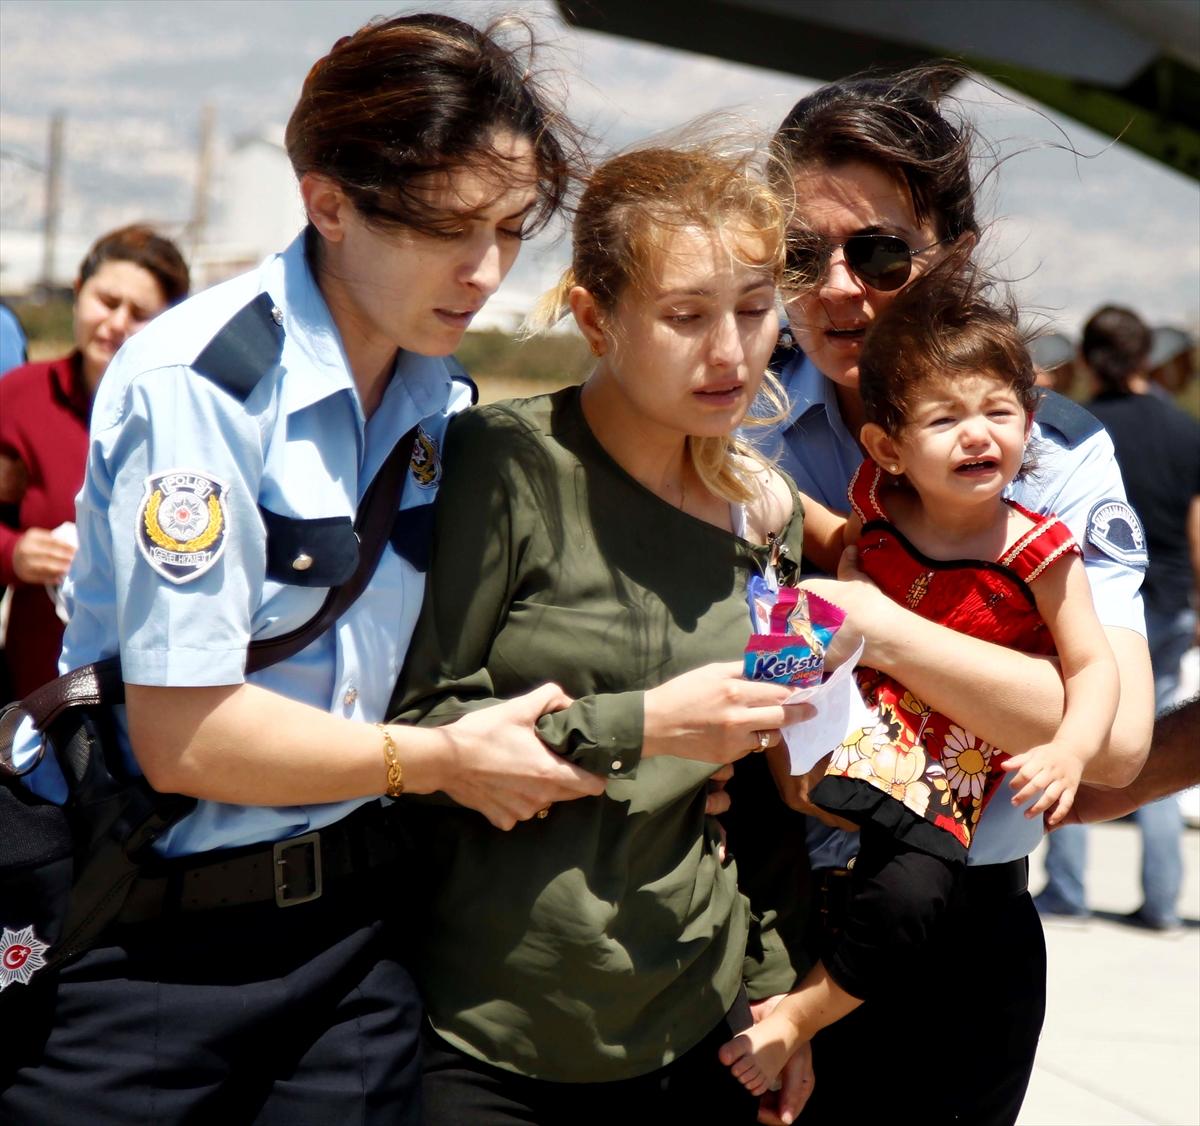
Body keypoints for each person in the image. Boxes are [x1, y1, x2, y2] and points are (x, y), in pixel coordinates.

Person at [1, 15, 610, 1124]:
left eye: (513, 229)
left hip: (347, 947)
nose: (485, 272)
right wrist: (441, 760)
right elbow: (187, 737)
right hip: (147, 944)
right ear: (328, 202)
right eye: (447, 228)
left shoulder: (443, 396)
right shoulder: (204, 386)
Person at [722, 66, 1154, 1126]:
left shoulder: (1050, 459)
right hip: (752, 917)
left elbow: (1114, 739)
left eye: (876, 252)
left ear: (949, 253)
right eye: (798, 255)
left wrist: (882, 630)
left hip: (959, 935)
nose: (835, 288)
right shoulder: (733, 428)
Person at [389, 143, 812, 1125]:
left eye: (754, 309)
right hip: (485, 1025)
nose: (731, 351)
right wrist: (644, 722)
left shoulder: (774, 514)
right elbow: (419, 724)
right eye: (686, 316)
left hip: (697, 1024)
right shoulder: (498, 464)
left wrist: (777, 995)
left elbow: (769, 768)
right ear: (594, 317)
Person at [1036, 305, 1199, 932]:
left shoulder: (1079, 437)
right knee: (1152, 740)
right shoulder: (1184, 430)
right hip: (1169, 606)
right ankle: (1162, 904)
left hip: (1092, 609)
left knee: (1075, 735)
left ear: (1086, 360)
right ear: (1145, 358)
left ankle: (1068, 893)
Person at [0, 225, 190, 699]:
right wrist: (15, 553)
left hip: (148, 689)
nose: (116, 323)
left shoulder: (189, 415)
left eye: (140, 313)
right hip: (35, 687)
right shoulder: (20, 396)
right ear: (79, 291)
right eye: (107, 301)